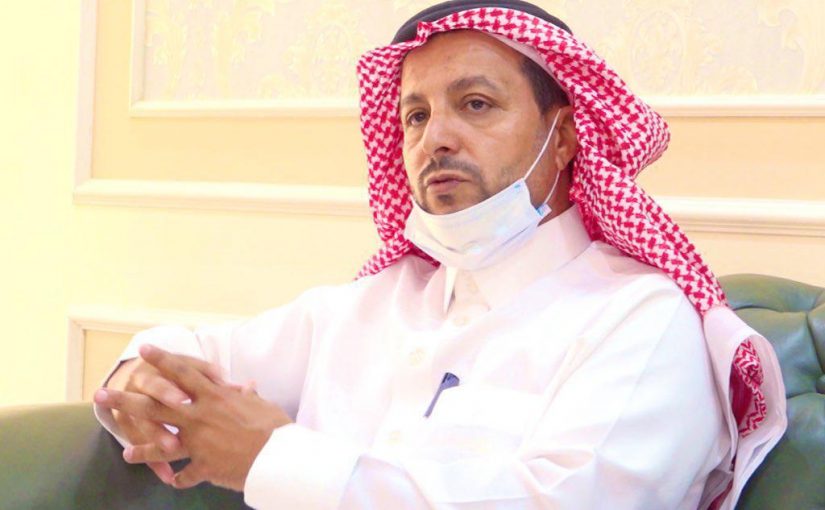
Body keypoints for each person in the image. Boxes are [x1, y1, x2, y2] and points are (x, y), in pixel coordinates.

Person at [93, 1, 787, 509]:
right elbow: (188, 351)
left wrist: (273, 458)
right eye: (417, 115)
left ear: (564, 137)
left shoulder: (640, 321)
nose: (435, 139)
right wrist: (142, 383)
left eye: (476, 104)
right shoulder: (372, 303)